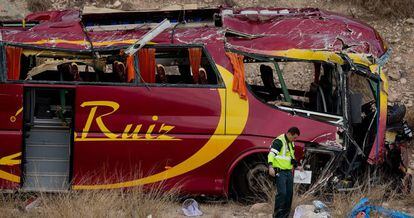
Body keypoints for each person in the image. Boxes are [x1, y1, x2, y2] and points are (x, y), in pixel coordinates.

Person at [268, 127, 301, 218]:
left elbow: (291, 156)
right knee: (282, 193)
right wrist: (270, 166)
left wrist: (297, 166)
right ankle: (277, 216)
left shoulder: (291, 142)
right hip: (280, 172)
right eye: (294, 137)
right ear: (289, 134)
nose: (295, 139)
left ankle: (285, 216)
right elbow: (271, 154)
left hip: (288, 172)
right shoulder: (279, 141)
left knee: (289, 195)